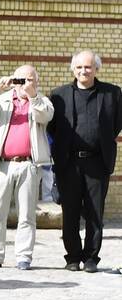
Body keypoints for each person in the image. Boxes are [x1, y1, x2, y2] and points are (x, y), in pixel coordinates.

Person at [48, 51, 122, 273]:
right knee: (70, 212)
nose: (83, 71)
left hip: (97, 163)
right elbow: (53, 128)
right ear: (73, 69)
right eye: (79, 67)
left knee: (94, 213)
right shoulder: (58, 95)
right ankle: (72, 257)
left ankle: (91, 258)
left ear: (96, 69)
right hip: (69, 163)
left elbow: (116, 124)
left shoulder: (112, 94)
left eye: (88, 67)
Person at [0, 66, 54, 270]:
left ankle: (24, 257)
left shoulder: (42, 101)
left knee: (27, 214)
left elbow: (45, 116)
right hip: (2, 165)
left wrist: (32, 96)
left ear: (36, 82)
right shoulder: (3, 100)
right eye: (21, 80)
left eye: (30, 80)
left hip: (28, 164)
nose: (24, 84)